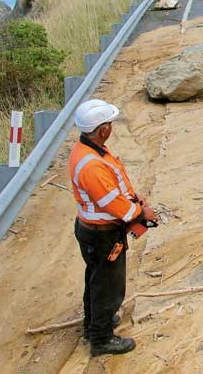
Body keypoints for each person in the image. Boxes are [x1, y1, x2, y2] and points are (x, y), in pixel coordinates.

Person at [69, 99, 156, 356]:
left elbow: (113, 191)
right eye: (109, 123)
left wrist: (132, 197)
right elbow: (112, 206)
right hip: (102, 235)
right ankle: (101, 338)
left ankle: (93, 324)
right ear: (103, 129)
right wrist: (141, 212)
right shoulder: (92, 165)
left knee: (96, 280)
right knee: (109, 286)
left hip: (94, 232)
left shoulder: (88, 150)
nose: (111, 127)